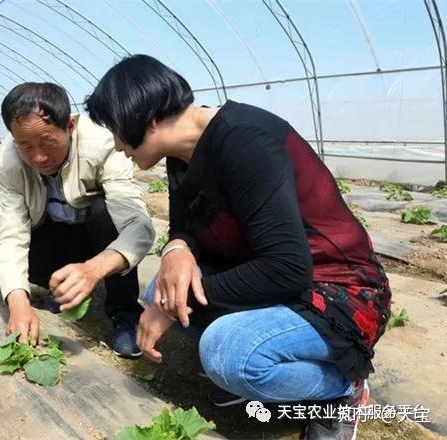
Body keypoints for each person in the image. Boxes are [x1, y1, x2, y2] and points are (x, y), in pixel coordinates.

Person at [85, 55, 391, 439]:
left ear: (148, 119)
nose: (116, 145)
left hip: (337, 289)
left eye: (117, 131)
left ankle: (342, 389)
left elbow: (287, 267)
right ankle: (254, 377)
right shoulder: (183, 154)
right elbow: (186, 228)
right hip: (272, 275)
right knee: (159, 289)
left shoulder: (246, 140)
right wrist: (176, 249)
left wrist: (174, 306)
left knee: (228, 352)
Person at [0, 82, 155, 358]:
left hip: (94, 237)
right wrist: (17, 300)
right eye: (25, 145)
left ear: (70, 127)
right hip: (54, 232)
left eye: (48, 142)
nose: (38, 156)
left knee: (107, 212)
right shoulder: (10, 160)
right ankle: (60, 288)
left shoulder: (102, 143)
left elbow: (137, 224)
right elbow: (11, 228)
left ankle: (125, 312)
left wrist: (94, 269)